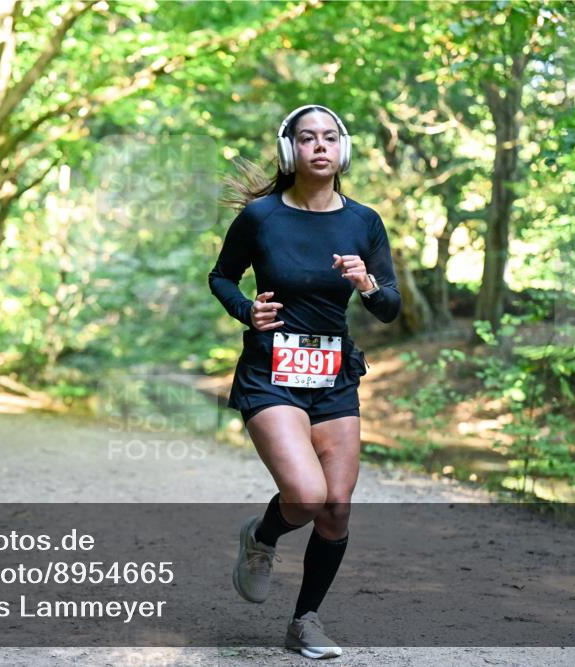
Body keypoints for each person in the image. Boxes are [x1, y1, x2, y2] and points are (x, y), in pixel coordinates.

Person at [209, 105, 401, 659]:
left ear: (343, 150)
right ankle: (263, 538)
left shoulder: (363, 221)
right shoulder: (262, 217)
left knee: (336, 506)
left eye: (329, 137)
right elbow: (222, 276)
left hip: (334, 374)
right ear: (290, 150)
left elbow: (389, 307)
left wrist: (367, 283)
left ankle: (305, 622)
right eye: (307, 137)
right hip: (272, 372)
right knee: (308, 495)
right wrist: (247, 311)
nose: (320, 146)